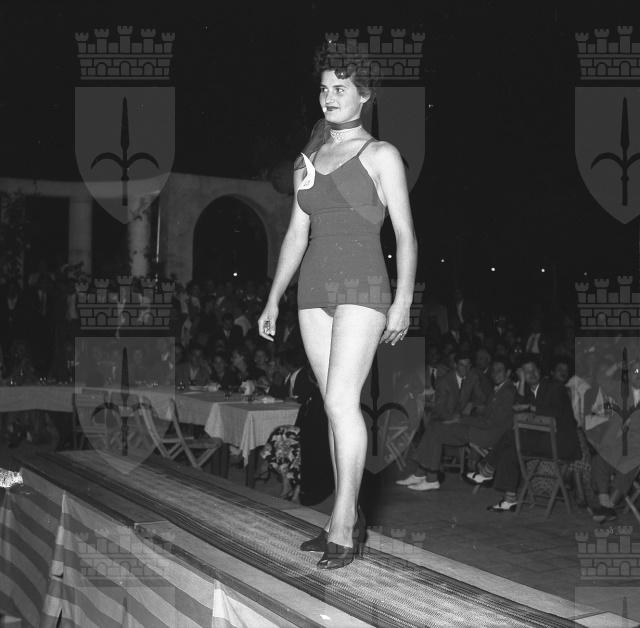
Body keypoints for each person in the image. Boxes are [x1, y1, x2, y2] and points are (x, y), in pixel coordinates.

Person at [257, 51, 417, 569]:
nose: (329, 97)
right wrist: (274, 297)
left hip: (364, 285)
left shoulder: (381, 154)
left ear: (364, 96)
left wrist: (402, 301)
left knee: (344, 403)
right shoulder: (308, 158)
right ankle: (341, 516)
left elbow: (405, 234)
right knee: (331, 404)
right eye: (324, 88)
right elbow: (295, 233)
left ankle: (345, 526)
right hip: (314, 288)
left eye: (340, 88)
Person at [396, 357, 515, 490]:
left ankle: (431, 478)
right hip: (480, 428)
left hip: (487, 435)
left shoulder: (507, 392)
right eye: (494, 371)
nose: (495, 374)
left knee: (436, 430)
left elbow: (489, 422)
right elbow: (485, 410)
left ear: (508, 372)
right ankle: (421, 474)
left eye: (499, 371)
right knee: (435, 427)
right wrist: (468, 413)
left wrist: (461, 419)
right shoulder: (500, 389)